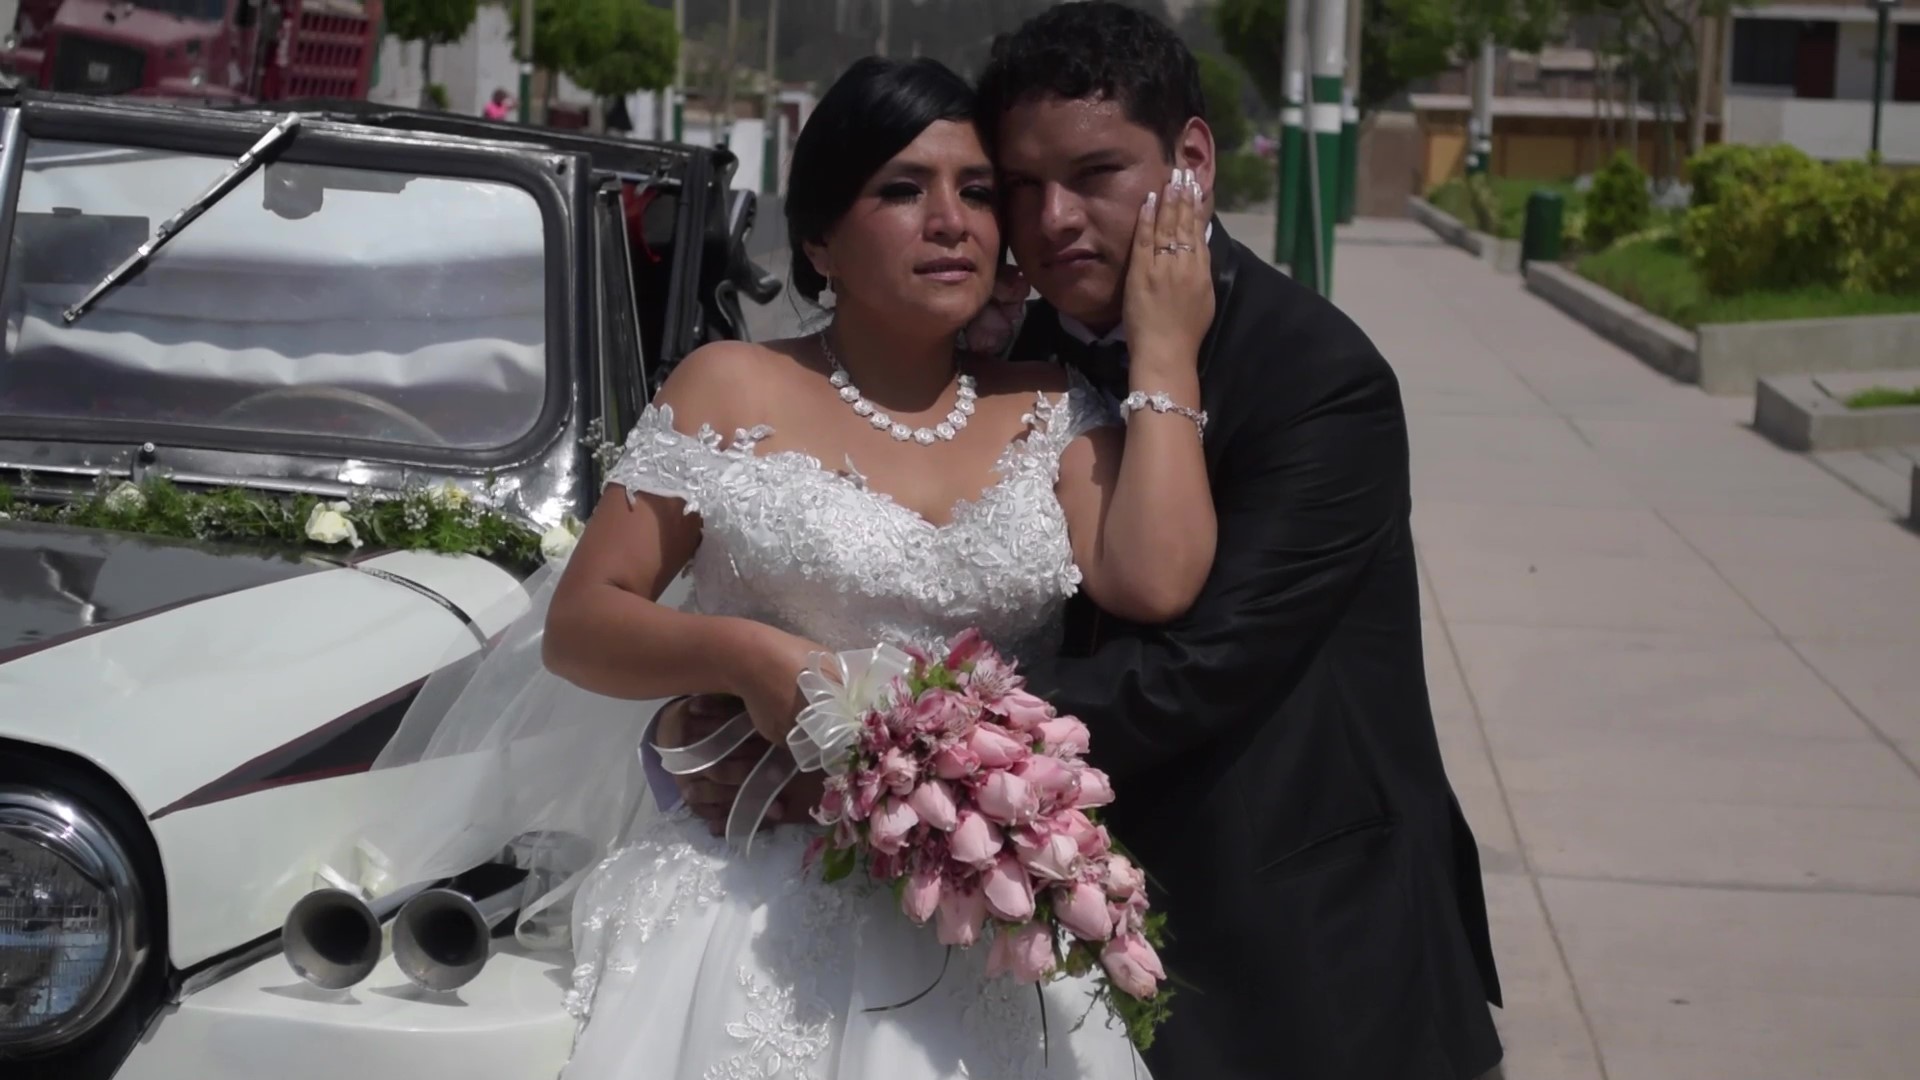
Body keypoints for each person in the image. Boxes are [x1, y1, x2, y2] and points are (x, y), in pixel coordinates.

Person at [653, 5, 1507, 1079]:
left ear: (1192, 161)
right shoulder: (1010, 349)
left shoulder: (1318, 381)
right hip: (1010, 929)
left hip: (1301, 954)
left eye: (1097, 174)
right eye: (1020, 184)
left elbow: (1187, 677)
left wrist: (852, 739)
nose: (1052, 219)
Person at [536, 53, 1217, 1079]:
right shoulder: (731, 386)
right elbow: (581, 623)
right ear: (819, 237)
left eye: (976, 193)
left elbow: (1155, 580)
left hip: (984, 906)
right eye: (902, 190)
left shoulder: (1050, 407)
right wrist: (749, 659)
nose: (951, 222)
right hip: (754, 902)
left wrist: (1164, 350)